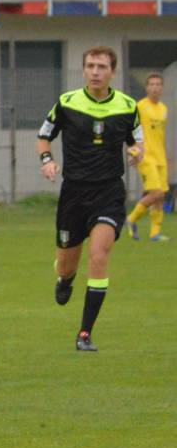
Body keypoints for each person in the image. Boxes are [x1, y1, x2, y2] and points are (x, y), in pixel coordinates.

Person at [37, 46, 143, 352]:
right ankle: (64, 279)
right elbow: (44, 135)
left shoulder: (126, 106)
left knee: (99, 254)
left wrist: (137, 152)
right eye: (90, 66)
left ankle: (84, 333)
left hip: (109, 192)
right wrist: (46, 159)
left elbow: (137, 142)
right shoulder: (67, 103)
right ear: (83, 70)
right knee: (67, 264)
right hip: (73, 193)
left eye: (101, 66)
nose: (95, 71)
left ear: (112, 71)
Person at [127, 74, 170, 242]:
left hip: (160, 157)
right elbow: (131, 130)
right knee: (156, 192)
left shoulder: (164, 109)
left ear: (162, 88)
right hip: (145, 157)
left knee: (160, 196)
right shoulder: (140, 107)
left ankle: (155, 233)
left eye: (158, 84)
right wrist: (133, 151)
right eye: (151, 84)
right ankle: (131, 219)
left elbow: (159, 135)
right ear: (146, 88)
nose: (155, 87)